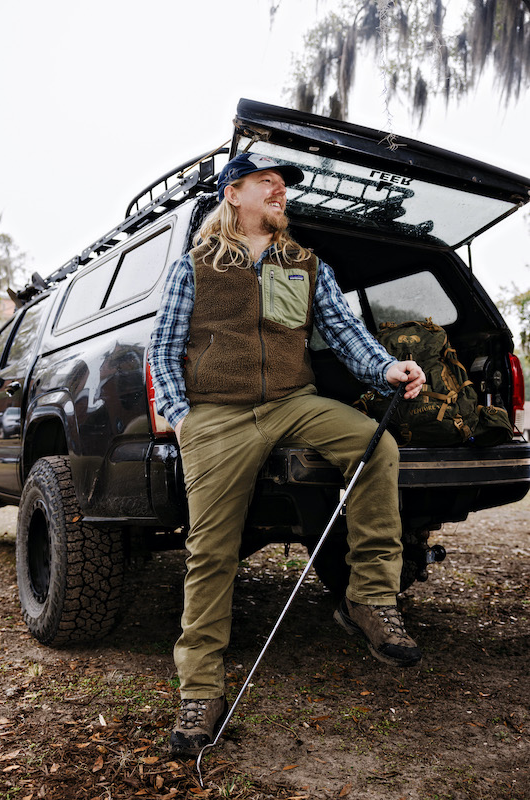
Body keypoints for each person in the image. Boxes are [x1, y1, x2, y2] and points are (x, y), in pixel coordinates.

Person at [148, 152, 426, 757]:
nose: (280, 192)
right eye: (266, 183)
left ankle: (369, 598)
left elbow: (345, 332)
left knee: (376, 447)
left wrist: (387, 367)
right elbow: (163, 348)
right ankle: (200, 692)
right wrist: (184, 418)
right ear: (233, 194)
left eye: (283, 186)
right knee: (211, 552)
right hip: (217, 414)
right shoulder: (195, 265)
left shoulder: (305, 264)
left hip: (293, 402)